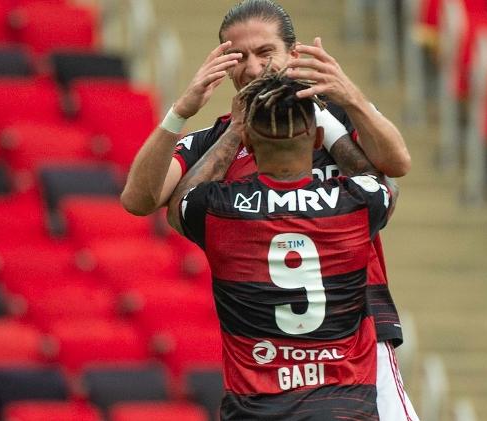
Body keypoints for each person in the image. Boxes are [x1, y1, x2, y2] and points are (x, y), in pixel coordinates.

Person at [121, 1, 418, 418]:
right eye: (238, 57)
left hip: (355, 342)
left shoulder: (336, 120)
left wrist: (344, 97)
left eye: (266, 53)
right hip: (269, 356)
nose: (254, 68)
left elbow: (398, 161)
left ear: (293, 56)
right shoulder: (214, 139)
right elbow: (138, 199)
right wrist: (181, 111)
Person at [166, 70, 394, 420]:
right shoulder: (357, 202)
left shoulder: (219, 210)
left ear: (251, 145)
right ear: (317, 140)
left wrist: (233, 133)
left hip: (256, 410)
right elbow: (376, 177)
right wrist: (328, 124)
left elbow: (179, 203)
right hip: (344, 407)